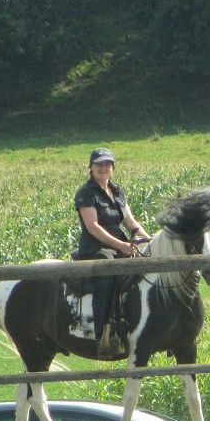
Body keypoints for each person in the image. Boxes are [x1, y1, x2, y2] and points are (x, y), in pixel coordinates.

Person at [74, 147, 150, 357]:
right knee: (109, 273)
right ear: (90, 167)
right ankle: (103, 334)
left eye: (107, 164)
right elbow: (93, 227)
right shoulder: (86, 193)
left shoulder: (117, 191)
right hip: (96, 249)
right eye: (98, 164)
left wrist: (146, 239)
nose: (103, 168)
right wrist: (121, 246)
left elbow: (130, 222)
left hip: (120, 246)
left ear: (113, 168)